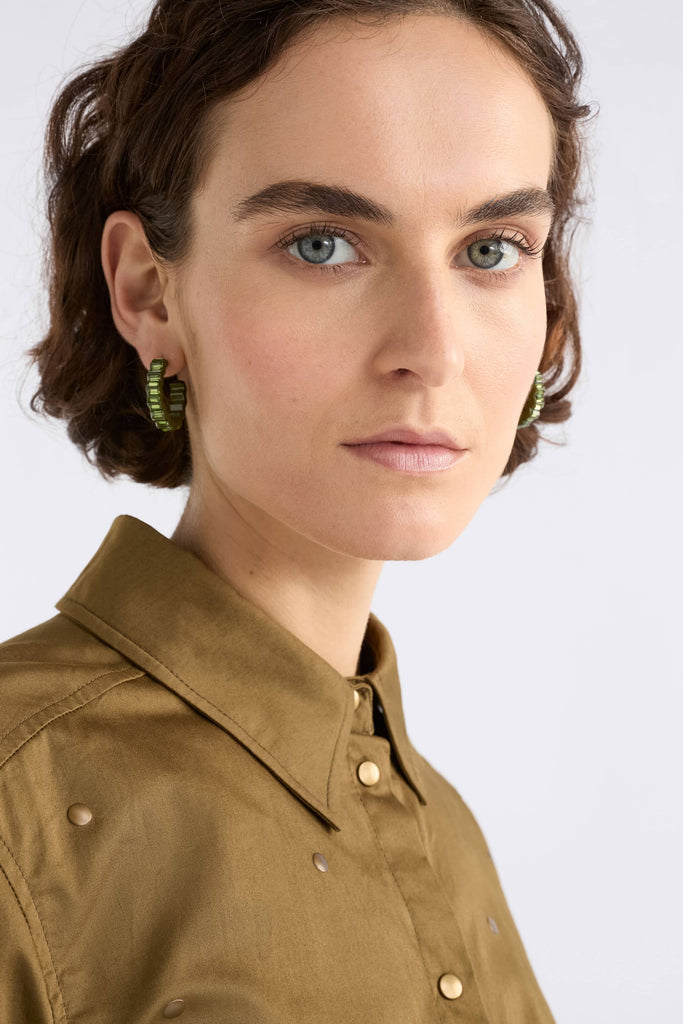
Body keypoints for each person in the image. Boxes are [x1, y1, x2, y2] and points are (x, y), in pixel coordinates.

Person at [0, 0, 596, 1020]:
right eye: (323, 244)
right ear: (148, 292)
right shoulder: (21, 808)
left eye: (490, 249)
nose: (432, 348)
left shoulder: (443, 827)